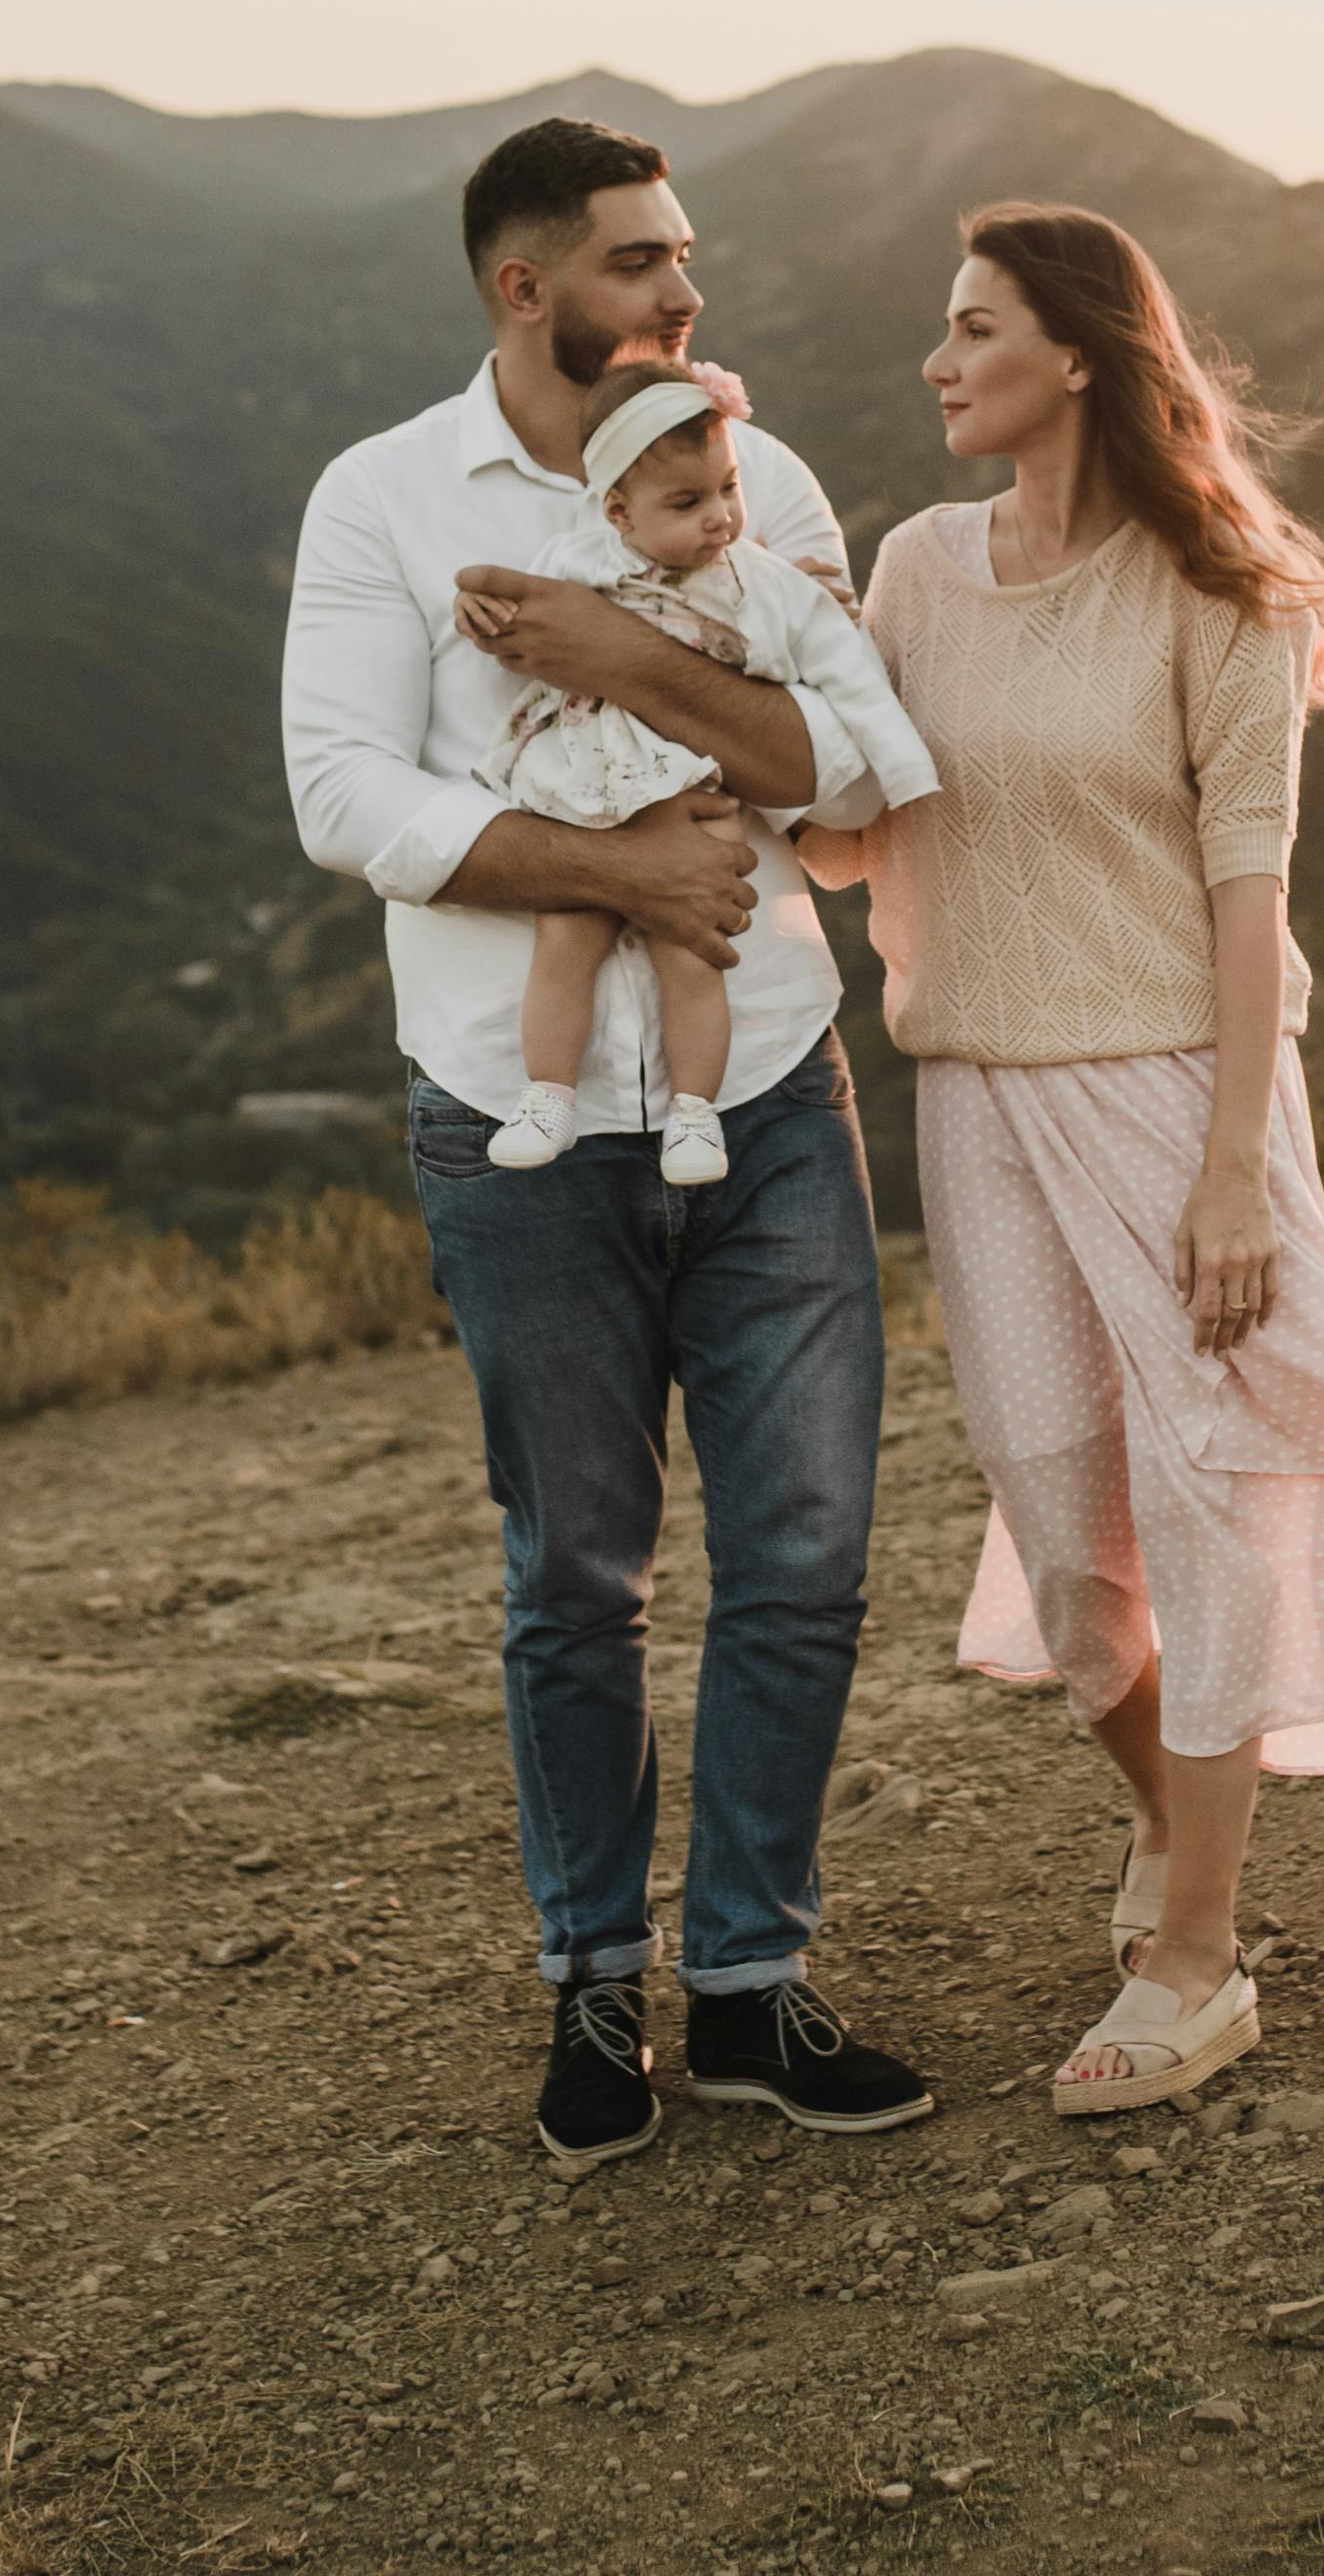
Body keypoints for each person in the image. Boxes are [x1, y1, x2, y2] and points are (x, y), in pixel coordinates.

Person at [812, 202, 1324, 2117]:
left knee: (1211, 1475)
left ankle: (1204, 1956)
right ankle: (1164, 1807)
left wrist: (1235, 1164)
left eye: (971, 326)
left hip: (1171, 1084)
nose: (936, 359)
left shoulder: (1220, 589)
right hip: (973, 1089)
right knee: (1069, 1534)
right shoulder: (915, 564)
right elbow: (843, 831)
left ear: (1075, 353)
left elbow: (1249, 893)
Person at [280, 115, 934, 2175]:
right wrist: (613, 873)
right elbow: (341, 792)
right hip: (519, 1118)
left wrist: (636, 658)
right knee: (575, 1570)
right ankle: (593, 1980)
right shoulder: (386, 495)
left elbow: (840, 768)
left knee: (807, 1556)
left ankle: (745, 1982)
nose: (685, 295)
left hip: (773, 1099)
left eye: (687, 256)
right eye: (647, 261)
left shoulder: (768, 479)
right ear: (526, 285)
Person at [476, 359, 940, 1186]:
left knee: (692, 952)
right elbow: (521, 623)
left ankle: (695, 1114)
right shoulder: (580, 560)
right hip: (591, 785)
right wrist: (480, 611)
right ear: (618, 509)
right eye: (688, 505)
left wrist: (902, 770)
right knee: (565, 939)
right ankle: (547, 1093)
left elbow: (848, 670)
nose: (722, 518)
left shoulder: (761, 584)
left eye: (728, 489)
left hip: (693, 788)